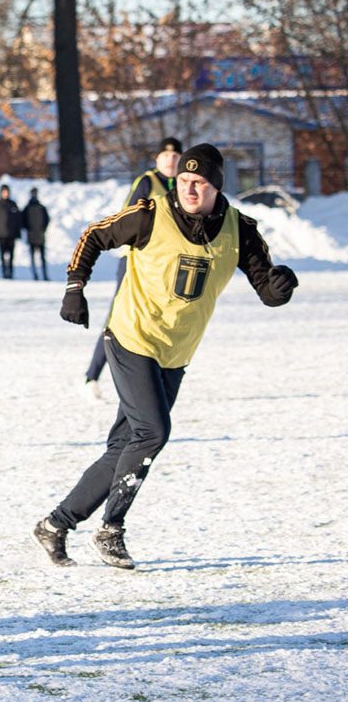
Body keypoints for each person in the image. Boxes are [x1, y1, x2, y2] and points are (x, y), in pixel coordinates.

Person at [33, 144, 299, 570]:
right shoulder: (149, 213)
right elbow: (93, 236)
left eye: (200, 182)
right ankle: (111, 529)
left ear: (216, 186)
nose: (190, 189)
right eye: (185, 181)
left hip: (176, 352)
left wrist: (281, 286)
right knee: (153, 432)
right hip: (131, 338)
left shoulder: (240, 229)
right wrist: (74, 289)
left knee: (125, 446)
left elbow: (267, 290)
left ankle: (55, 524)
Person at [83, 137, 183, 399]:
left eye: (175, 157)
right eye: (165, 156)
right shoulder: (147, 182)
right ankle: (92, 376)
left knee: (159, 321)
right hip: (135, 262)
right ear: (157, 159)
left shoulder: (184, 186)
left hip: (164, 267)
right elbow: (129, 218)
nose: (170, 161)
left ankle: (153, 377)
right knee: (118, 319)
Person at [0, 184, 21, 279]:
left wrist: (18, 233)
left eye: (6, 192)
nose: (5, 194)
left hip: (12, 235)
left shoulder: (13, 204)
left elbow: (18, 220)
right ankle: (4, 273)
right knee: (2, 256)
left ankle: (10, 273)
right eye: (3, 192)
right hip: (1, 235)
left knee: (11, 256)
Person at [22, 187, 50, 281]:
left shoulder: (41, 207)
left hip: (40, 236)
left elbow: (47, 219)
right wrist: (28, 229)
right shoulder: (27, 208)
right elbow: (23, 221)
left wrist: (43, 229)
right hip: (31, 236)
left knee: (42, 258)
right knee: (33, 258)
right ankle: (35, 275)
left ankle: (44, 275)